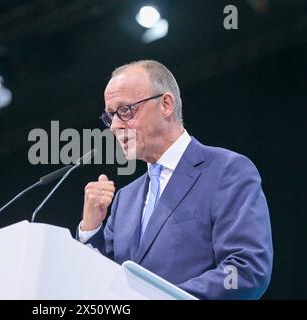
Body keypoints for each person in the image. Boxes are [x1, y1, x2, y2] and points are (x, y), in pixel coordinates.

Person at [77, 60, 273, 299]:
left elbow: (245, 269)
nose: (115, 126)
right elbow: (100, 285)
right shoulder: (123, 200)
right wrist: (90, 229)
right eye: (110, 116)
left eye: (125, 111)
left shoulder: (226, 171)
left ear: (166, 105)